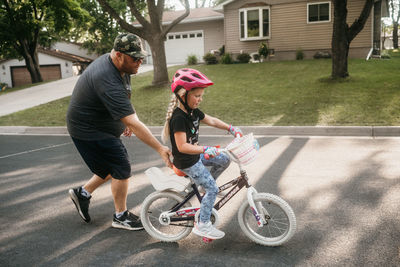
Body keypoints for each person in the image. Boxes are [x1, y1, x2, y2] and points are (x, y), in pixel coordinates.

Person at [67, 33, 172, 231]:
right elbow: (133, 121)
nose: (139, 61)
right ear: (118, 55)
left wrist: (122, 121)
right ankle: (120, 216)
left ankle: (83, 193)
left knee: (110, 167)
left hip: (98, 124)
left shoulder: (122, 67)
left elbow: (123, 103)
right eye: (134, 57)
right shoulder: (106, 77)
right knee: (120, 167)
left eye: (141, 56)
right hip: (88, 129)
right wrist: (159, 148)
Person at [161, 68, 243, 240]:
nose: (200, 99)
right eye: (197, 95)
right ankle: (203, 225)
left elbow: (211, 120)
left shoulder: (193, 112)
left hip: (195, 156)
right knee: (212, 188)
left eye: (201, 96)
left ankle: (204, 189)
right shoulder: (178, 118)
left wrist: (230, 128)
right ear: (183, 95)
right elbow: (182, 146)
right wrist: (205, 149)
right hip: (187, 162)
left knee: (224, 159)